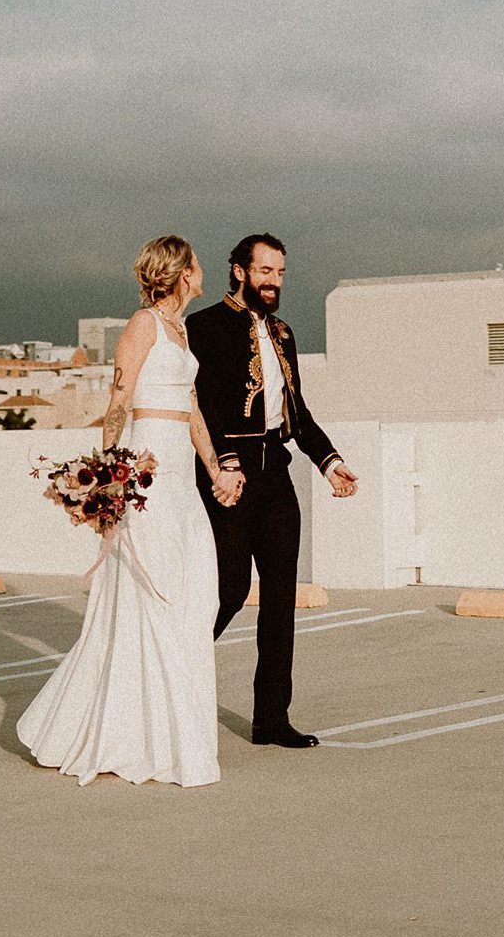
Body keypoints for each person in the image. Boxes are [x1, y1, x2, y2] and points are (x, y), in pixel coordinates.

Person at [18, 236, 244, 787]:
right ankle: (141, 738)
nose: (203, 269)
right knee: (152, 591)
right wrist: (107, 481)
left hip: (181, 473)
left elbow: (190, 407)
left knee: (195, 593)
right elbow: (119, 402)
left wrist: (214, 469)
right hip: (145, 464)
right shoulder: (142, 323)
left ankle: (171, 731)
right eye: (197, 262)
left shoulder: (182, 329)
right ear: (181, 272)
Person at [188, 233, 360, 749]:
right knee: (229, 590)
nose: (274, 282)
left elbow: (297, 413)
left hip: (276, 475)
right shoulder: (205, 327)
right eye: (265, 271)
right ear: (239, 270)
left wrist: (330, 463)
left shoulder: (283, 333)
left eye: (280, 273)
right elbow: (206, 407)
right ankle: (173, 679)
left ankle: (271, 718)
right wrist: (225, 464)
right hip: (228, 476)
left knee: (281, 600)